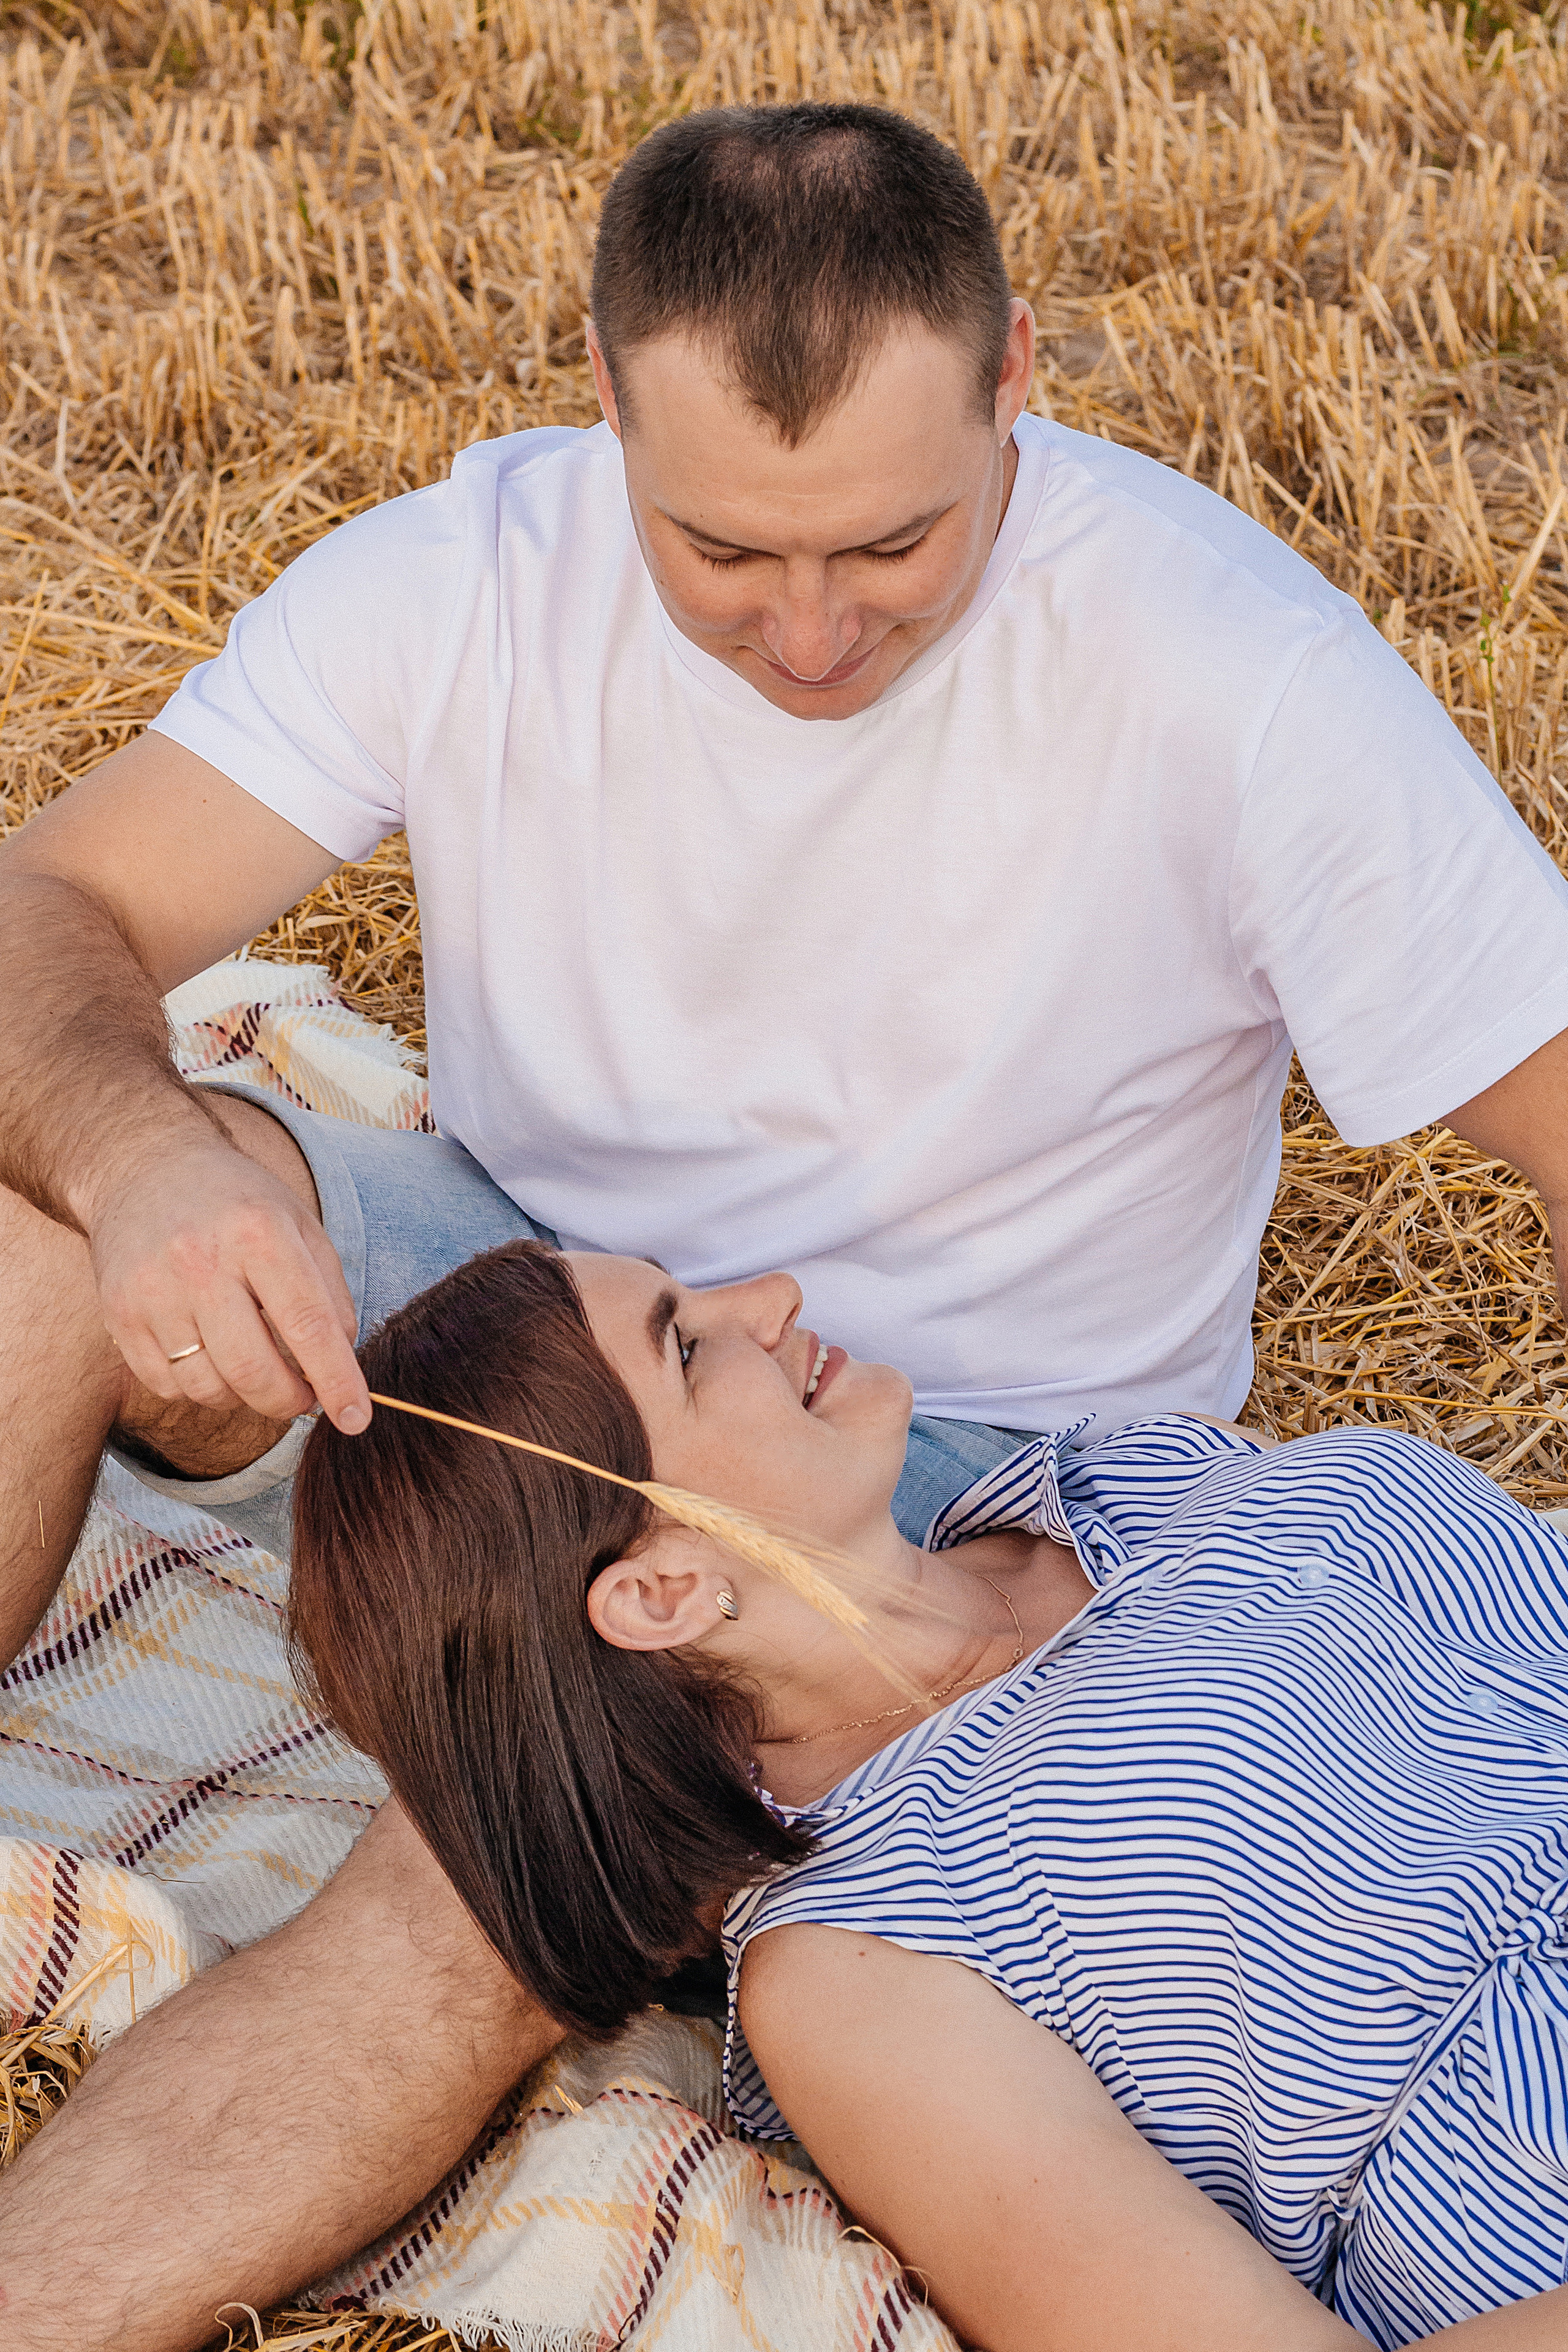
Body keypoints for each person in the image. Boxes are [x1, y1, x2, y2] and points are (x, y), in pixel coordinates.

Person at [3, 94, 1568, 2343]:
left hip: (975, 1447)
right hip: (566, 1296)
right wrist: (146, 1159)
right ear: (606, 397)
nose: (813, 633)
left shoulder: (1235, 677)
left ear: (1021, 371)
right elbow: (48, 902)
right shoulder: (467, 578)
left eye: (895, 546)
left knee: (488, 1887)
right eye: (724, 553)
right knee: (40, 1181)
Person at [290, 1237, 1568, 2352]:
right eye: (685, 1347)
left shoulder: (1113, 1477)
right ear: (660, 1590)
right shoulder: (856, 1963)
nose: (774, 1295)